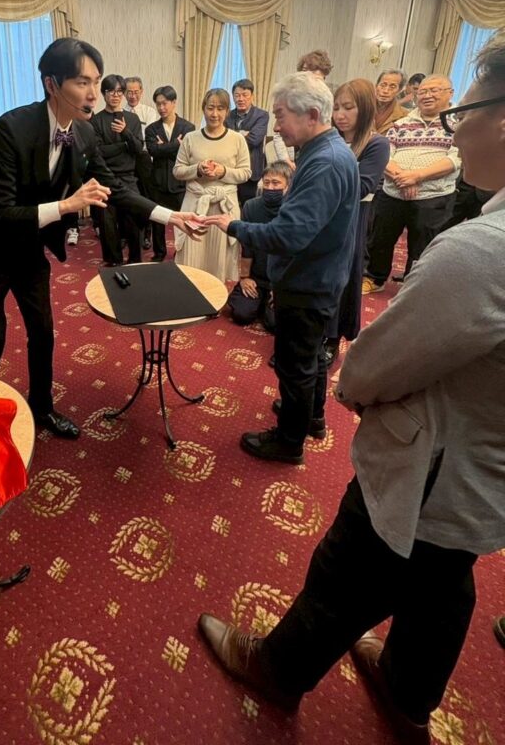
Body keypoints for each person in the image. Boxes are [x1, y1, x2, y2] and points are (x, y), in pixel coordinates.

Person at [198, 43, 505, 745]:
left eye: (461, 113)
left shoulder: (481, 250)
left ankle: (276, 669)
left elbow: (371, 368)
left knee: (346, 573)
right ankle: (406, 691)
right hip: (479, 473)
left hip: (428, 471)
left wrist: (349, 390)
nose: (453, 132)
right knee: (443, 585)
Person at [0, 38, 204, 439]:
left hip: (28, 245)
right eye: (83, 82)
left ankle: (42, 407)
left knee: (42, 329)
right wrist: (67, 206)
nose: (94, 93)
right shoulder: (11, 127)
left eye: (96, 82)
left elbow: (115, 187)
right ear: (52, 84)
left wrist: (171, 216)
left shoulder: (83, 133)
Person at [204, 73, 359, 464]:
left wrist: (234, 226)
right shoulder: (326, 151)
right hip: (320, 276)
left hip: (308, 282)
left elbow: (289, 234)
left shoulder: (324, 162)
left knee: (295, 365)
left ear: (311, 114)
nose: (275, 125)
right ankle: (312, 417)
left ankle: (289, 442)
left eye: (280, 115)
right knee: (312, 356)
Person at [363, 75, 458, 293]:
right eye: (423, 91)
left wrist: (417, 176)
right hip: (393, 192)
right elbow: (384, 155)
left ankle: (412, 286)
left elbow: (455, 159)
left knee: (422, 246)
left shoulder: (457, 125)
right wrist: (404, 178)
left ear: (450, 93)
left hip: (433, 196)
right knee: (380, 240)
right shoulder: (401, 123)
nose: (427, 95)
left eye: (434, 90)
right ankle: (375, 278)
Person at [323, 79, 390, 364]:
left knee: (342, 277)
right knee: (319, 274)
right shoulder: (328, 140)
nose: (340, 114)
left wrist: (321, 184)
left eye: (348, 107)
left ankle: (332, 337)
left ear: (364, 108)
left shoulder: (376, 143)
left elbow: (362, 186)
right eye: (336, 107)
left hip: (351, 218)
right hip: (321, 216)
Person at [172, 88, 251, 282]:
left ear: (227, 111)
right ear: (203, 109)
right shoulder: (190, 138)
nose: (214, 114)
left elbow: (246, 173)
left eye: (220, 108)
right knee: (191, 256)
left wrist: (222, 172)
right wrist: (198, 169)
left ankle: (215, 294)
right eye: (210, 108)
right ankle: (190, 293)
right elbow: (178, 171)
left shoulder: (237, 139)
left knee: (218, 259)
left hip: (223, 207)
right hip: (195, 204)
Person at [226, 162, 292, 330]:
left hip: (282, 280)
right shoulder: (251, 206)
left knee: (274, 324)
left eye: (276, 183)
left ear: (287, 185)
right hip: (257, 276)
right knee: (241, 314)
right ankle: (260, 301)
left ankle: (267, 304)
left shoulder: (293, 210)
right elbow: (246, 246)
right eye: (266, 182)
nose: (270, 187)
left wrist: (282, 288)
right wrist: (244, 277)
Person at [91, 75, 145, 266]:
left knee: (133, 220)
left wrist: (125, 133)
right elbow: (98, 152)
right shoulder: (96, 121)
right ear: (103, 93)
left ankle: (135, 259)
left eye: (119, 91)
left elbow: (138, 149)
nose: (115, 95)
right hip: (105, 178)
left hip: (128, 178)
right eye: (111, 91)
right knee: (107, 224)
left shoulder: (132, 119)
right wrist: (123, 146)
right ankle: (113, 261)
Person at [144, 85, 195, 261]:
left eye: (164, 103)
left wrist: (163, 147)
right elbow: (153, 151)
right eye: (158, 104)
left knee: (183, 220)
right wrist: (175, 145)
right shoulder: (151, 129)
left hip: (179, 183)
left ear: (174, 102)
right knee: (157, 220)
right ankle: (159, 253)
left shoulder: (188, 127)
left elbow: (188, 155)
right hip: (158, 182)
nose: (161, 108)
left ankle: (182, 251)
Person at [272, 50, 333, 166]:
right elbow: (280, 133)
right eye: (305, 72)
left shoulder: (327, 100)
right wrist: (287, 160)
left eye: (316, 75)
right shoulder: (290, 95)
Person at [124, 76, 158, 250]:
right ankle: (126, 234)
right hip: (125, 159)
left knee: (145, 197)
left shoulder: (149, 112)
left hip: (143, 158)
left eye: (136, 92)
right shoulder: (119, 112)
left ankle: (146, 234)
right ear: (124, 93)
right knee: (126, 197)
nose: (132, 96)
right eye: (129, 92)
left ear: (141, 92)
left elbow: (148, 138)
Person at [226, 78, 269, 204]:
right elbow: (222, 138)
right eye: (237, 95)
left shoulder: (261, 115)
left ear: (252, 96)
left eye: (245, 95)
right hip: (230, 169)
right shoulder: (227, 115)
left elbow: (254, 140)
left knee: (248, 207)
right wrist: (243, 134)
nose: (241, 99)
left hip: (251, 171)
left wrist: (233, 136)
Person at [374, 68, 408, 135]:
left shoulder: (405, 116)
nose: (385, 91)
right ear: (376, 86)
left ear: (399, 90)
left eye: (392, 87)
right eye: (383, 85)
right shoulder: (362, 109)